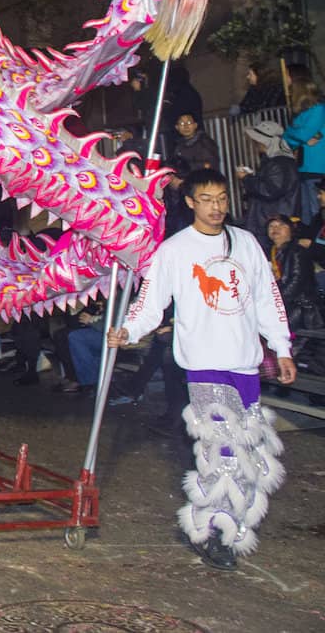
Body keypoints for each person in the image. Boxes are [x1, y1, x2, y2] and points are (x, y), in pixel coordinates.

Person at [107, 168, 295, 570]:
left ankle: (231, 526)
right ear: (190, 202)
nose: (216, 206)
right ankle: (211, 532)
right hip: (204, 365)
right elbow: (150, 302)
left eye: (222, 198)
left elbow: (267, 300)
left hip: (244, 364)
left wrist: (282, 348)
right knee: (220, 450)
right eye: (207, 199)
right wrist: (128, 330)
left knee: (244, 451)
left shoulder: (245, 244)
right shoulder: (175, 250)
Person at [238, 120, 302, 236]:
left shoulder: (279, 163)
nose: (255, 143)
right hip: (271, 220)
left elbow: (270, 191)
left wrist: (246, 178)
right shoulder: (278, 161)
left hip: (272, 222)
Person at [265, 216, 322, 334]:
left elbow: (295, 284)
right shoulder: (271, 252)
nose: (275, 229)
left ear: (291, 230)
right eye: (271, 226)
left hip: (302, 310)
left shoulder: (297, 251)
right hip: (284, 305)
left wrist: (274, 303)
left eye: (281, 225)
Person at [283, 82, 325, 222]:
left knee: (316, 208)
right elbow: (288, 138)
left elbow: (299, 134)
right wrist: (302, 139)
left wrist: (299, 138)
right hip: (304, 167)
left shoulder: (318, 110)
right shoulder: (304, 113)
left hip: (317, 167)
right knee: (306, 211)